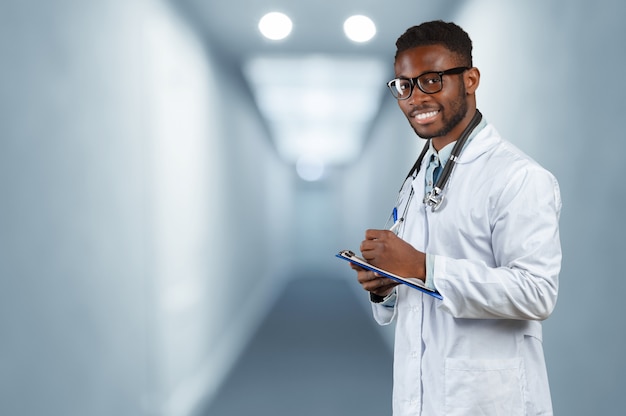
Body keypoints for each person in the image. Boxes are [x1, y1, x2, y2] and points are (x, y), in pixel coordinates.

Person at [349, 20, 562, 416]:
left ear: (470, 79)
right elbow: (417, 286)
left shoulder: (519, 177)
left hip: (490, 401)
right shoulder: (418, 180)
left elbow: (537, 292)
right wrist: (385, 284)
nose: (414, 98)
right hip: (420, 398)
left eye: (431, 80)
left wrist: (423, 266)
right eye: (404, 85)